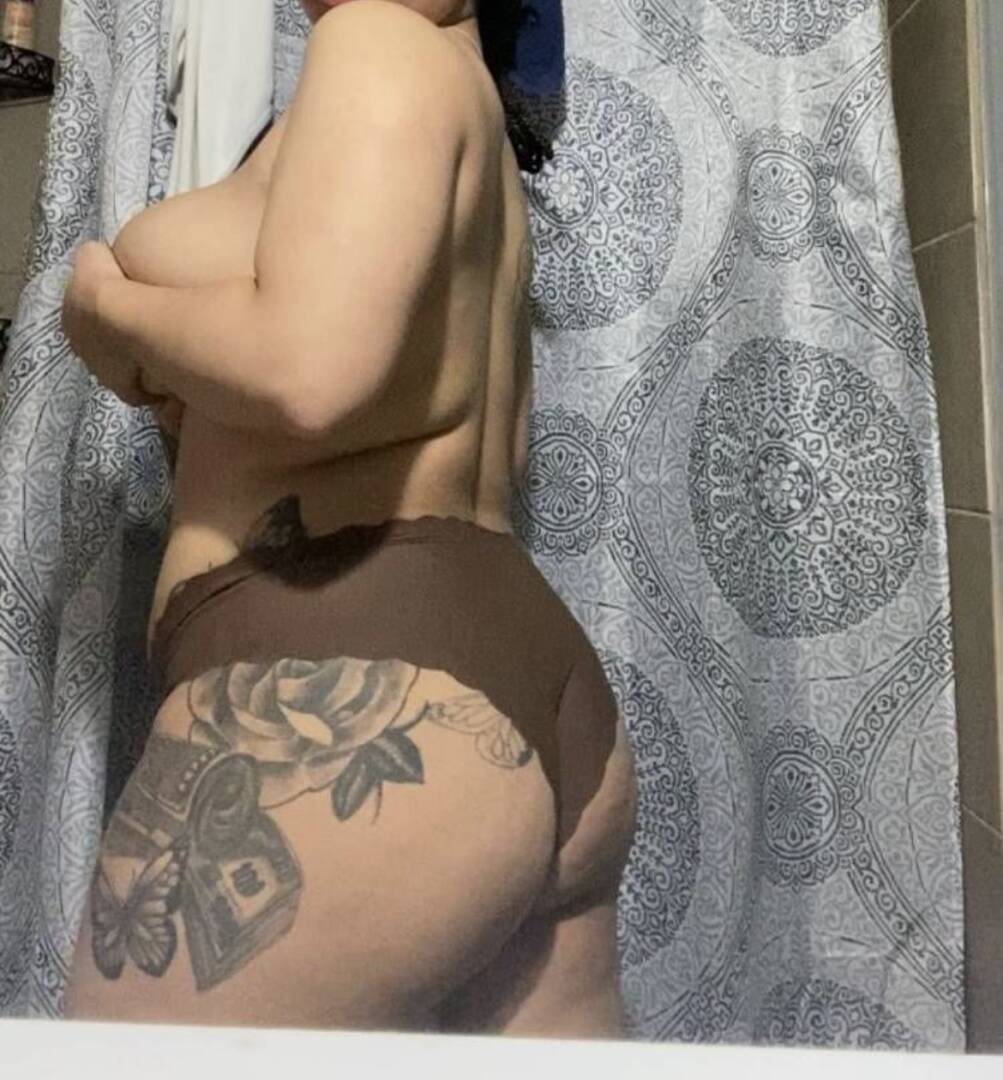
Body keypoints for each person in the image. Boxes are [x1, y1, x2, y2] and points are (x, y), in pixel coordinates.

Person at [60, 0, 638, 1037]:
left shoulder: (375, 43)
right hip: (528, 701)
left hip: (346, 694)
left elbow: (310, 371)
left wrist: (106, 310)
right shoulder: (457, 106)